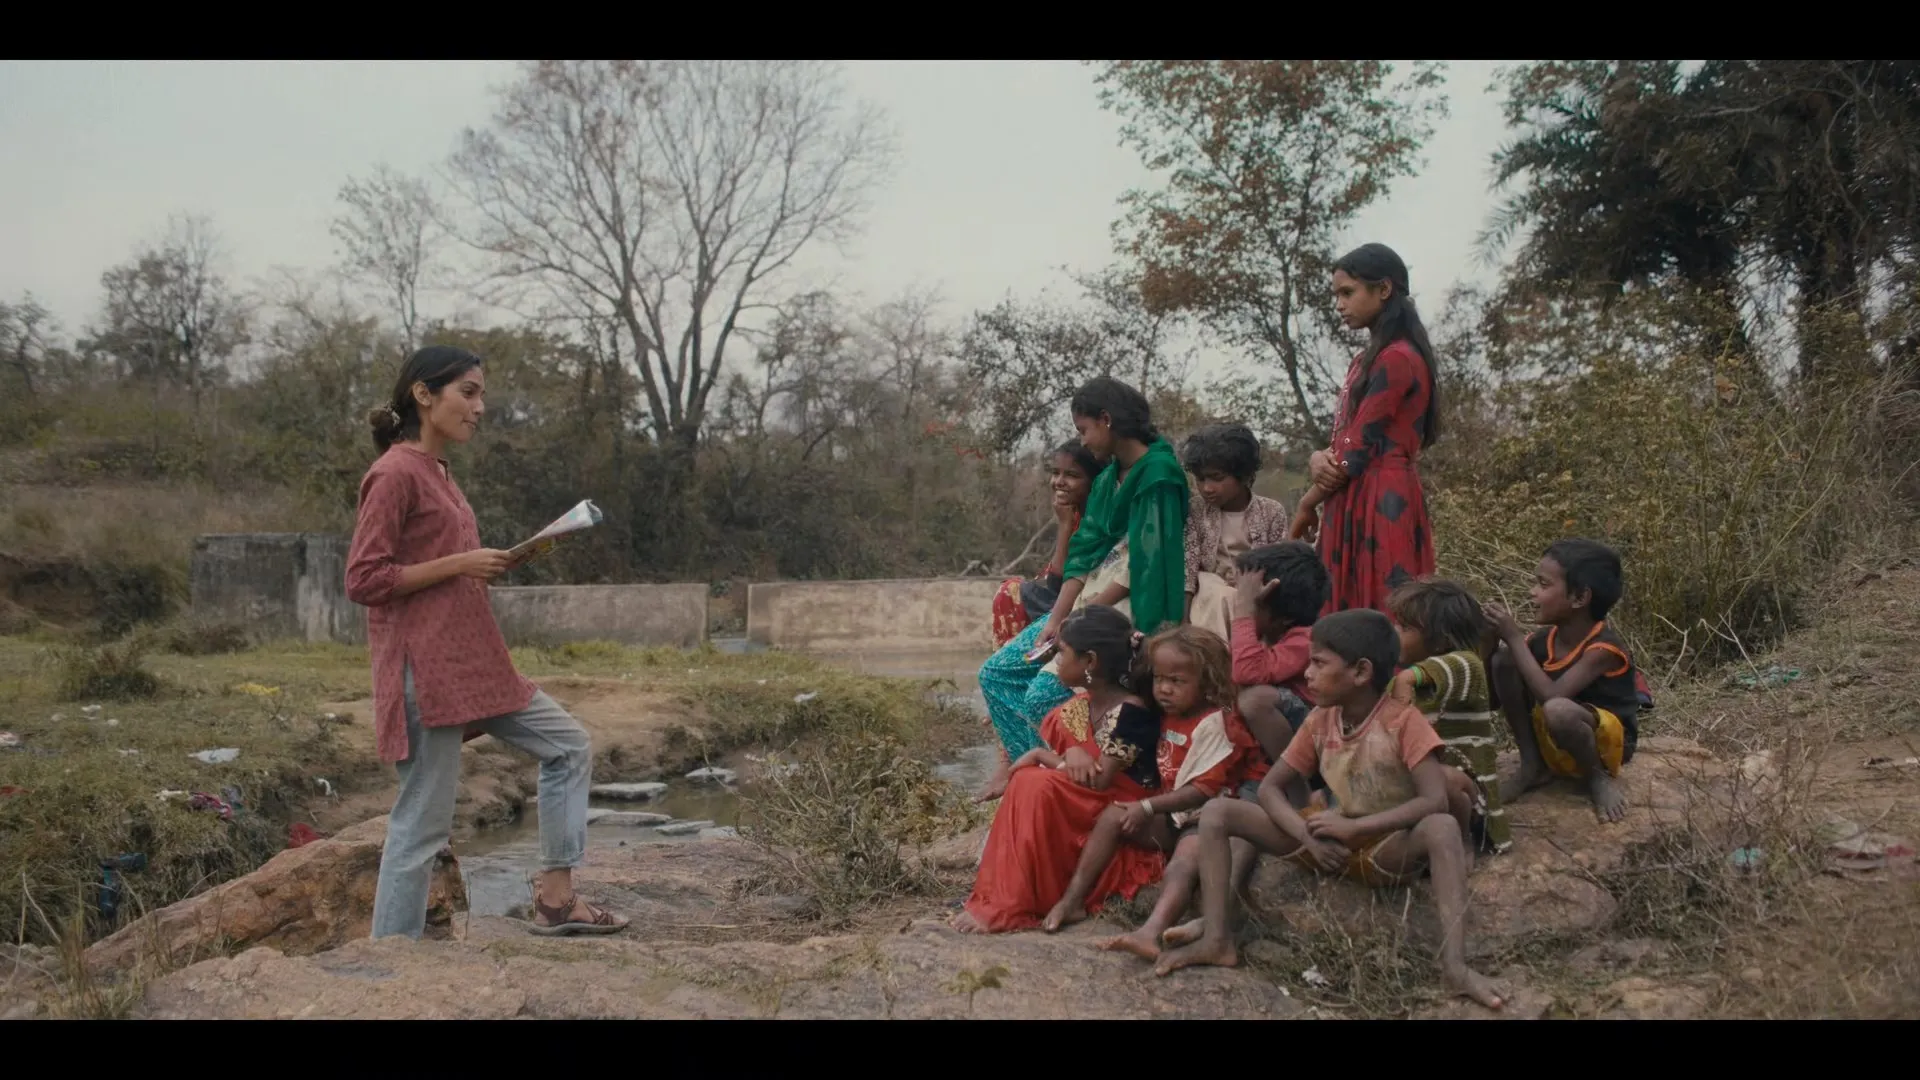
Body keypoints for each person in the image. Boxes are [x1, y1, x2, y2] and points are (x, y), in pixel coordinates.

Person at [345, 345, 628, 939]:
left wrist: (491, 563)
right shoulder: (394, 473)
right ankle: (389, 961)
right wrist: (460, 563)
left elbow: (441, 567)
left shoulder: (439, 471)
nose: (479, 408)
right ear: (425, 395)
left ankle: (556, 900)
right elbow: (364, 579)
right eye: (468, 393)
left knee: (568, 746)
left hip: (475, 662)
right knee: (421, 827)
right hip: (426, 670)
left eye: (482, 396)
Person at [1152, 609, 1505, 1012]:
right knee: (1219, 812)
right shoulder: (1321, 720)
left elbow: (1433, 801)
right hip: (1323, 841)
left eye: (1319, 663)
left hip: (1383, 847)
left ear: (1361, 672)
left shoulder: (1404, 722)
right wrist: (1305, 835)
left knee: (1441, 826)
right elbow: (1270, 789)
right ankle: (1218, 938)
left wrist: (1358, 829)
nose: (1307, 674)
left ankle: (1455, 967)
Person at [974, 376, 1189, 801]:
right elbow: (1083, 551)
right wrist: (1056, 619)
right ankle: (1033, 777)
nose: (1083, 440)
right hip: (1087, 602)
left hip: (1128, 604)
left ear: (1106, 420)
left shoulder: (1158, 475)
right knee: (996, 674)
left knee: (1041, 694)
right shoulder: (1109, 478)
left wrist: (1086, 621)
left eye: (1083, 429)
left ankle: (1070, 785)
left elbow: (1147, 561)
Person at [952, 606, 1165, 934]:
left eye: (1062, 653)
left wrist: (1042, 755)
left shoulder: (1132, 712)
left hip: (1120, 810)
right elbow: (1075, 768)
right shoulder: (1079, 706)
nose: (1056, 661)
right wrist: (1058, 758)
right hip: (1089, 801)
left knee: (1036, 785)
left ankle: (1013, 901)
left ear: (1090, 662)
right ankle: (1013, 894)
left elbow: (1100, 780)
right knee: (1029, 780)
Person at [1045, 625, 1249, 933]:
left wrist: (1147, 807)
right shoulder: (1163, 713)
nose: (1164, 689)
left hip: (1202, 819)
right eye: (1159, 678)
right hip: (1170, 815)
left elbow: (1203, 790)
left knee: (1181, 865)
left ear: (1206, 681)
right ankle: (1073, 900)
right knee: (1112, 816)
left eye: (1177, 681)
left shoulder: (1211, 724)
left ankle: (1152, 932)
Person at [1288, 244, 1440, 616]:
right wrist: (1318, 456)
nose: (1339, 305)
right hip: (1354, 491)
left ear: (1384, 289)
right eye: (1337, 295)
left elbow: (1353, 449)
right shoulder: (1368, 359)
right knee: (1349, 613)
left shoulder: (1397, 358)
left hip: (1381, 498)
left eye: (1347, 292)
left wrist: (1307, 503)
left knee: (1385, 610)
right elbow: (1345, 438)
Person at [1484, 538, 1642, 824]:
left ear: (1579, 597)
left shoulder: (1603, 648)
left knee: (1557, 709)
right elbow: (1493, 700)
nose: (1532, 592)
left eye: (1543, 585)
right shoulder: (1543, 640)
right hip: (1556, 738)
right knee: (1504, 659)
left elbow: (1552, 697)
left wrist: (1514, 637)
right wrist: (1490, 644)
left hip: (1607, 745)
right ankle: (1532, 764)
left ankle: (1597, 778)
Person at [1385, 577, 1511, 854]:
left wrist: (1404, 682)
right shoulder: (1403, 682)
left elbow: (1437, 671)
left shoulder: (1466, 665)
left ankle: (1465, 841)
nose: (1394, 633)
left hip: (1469, 802)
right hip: (1428, 795)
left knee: (1443, 778)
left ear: (1441, 640)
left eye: (1405, 628)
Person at [1180, 424, 1290, 644]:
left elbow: (1279, 568)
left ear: (1244, 475)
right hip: (1209, 592)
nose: (1207, 488)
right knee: (1221, 595)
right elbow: (1189, 568)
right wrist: (1183, 623)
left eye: (1217, 478)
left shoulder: (1271, 512)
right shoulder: (1196, 510)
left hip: (1254, 594)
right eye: (1200, 479)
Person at [992, 439, 1103, 648]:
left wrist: (1065, 525)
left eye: (1072, 475)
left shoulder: (1097, 519)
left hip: (1083, 600)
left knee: (1010, 592)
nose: (1059, 482)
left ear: (1094, 480)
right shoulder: (1074, 512)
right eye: (1055, 473)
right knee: (1011, 590)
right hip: (1063, 596)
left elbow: (1056, 582)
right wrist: (1066, 523)